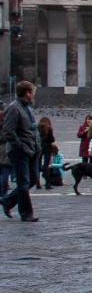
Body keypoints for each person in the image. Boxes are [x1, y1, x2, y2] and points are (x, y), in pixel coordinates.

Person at [1, 81, 40, 222]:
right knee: (23, 182)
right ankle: (26, 213)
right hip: (20, 150)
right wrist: (20, 145)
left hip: (31, 149)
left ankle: (8, 201)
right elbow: (8, 130)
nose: (34, 94)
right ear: (27, 93)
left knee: (32, 180)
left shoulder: (28, 108)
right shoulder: (14, 108)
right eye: (33, 91)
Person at [37, 116, 56, 189]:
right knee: (46, 166)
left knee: (38, 166)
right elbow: (52, 139)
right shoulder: (49, 128)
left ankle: (37, 183)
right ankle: (48, 183)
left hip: (39, 148)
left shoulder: (38, 128)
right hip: (47, 148)